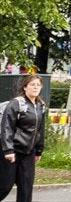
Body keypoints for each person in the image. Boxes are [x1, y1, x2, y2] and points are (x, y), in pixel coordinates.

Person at [0, 73, 47, 202]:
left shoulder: (40, 105)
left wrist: (39, 150)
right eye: (32, 85)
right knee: (4, 186)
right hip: (12, 151)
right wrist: (8, 150)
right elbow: (6, 127)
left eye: (38, 85)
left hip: (28, 152)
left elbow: (40, 130)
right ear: (25, 87)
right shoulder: (16, 104)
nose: (35, 87)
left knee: (26, 187)